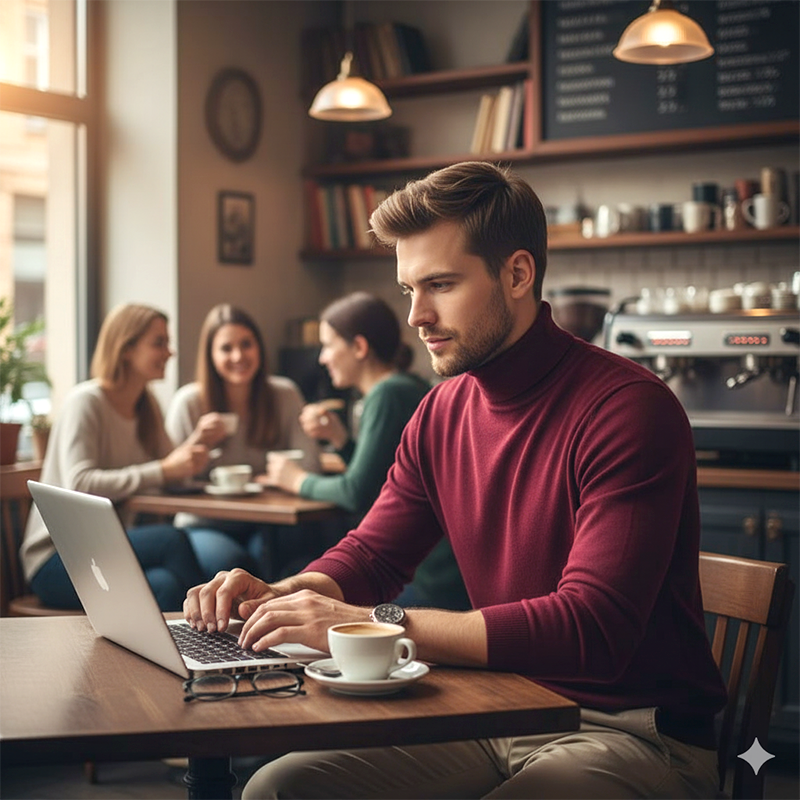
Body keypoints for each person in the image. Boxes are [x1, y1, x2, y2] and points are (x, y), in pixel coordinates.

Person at [184, 162, 727, 799]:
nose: (416, 315)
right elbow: (373, 551)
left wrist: (372, 621)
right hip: (490, 705)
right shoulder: (441, 412)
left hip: (631, 731)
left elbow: (592, 630)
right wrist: (281, 596)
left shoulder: (629, 409)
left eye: (440, 284)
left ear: (517, 274)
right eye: (408, 288)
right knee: (279, 789)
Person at [265, 291, 469, 610]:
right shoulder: (405, 386)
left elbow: (356, 492)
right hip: (436, 573)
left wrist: (295, 480)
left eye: (329, 345)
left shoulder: (387, 394)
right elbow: (383, 479)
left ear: (359, 347)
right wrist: (342, 442)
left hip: (429, 583)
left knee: (290, 573)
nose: (322, 358)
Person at [21, 303, 208, 611]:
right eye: (159, 342)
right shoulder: (86, 402)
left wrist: (197, 443)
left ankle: (183, 653)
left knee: (167, 585)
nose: (169, 352)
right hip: (59, 557)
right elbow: (80, 482)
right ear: (126, 349)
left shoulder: (147, 406)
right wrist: (163, 470)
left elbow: (173, 471)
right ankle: (215, 642)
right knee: (171, 540)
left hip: (103, 550)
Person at [165, 303, 321, 579]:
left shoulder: (283, 394)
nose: (238, 356)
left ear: (259, 347)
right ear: (210, 355)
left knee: (283, 557)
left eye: (246, 344)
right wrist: (197, 440)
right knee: (232, 562)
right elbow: (169, 480)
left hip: (268, 523)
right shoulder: (189, 402)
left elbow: (311, 466)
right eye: (226, 348)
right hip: (204, 524)